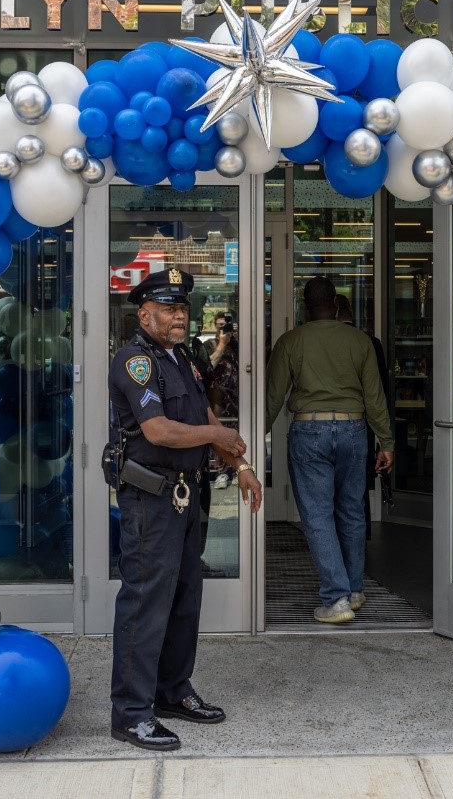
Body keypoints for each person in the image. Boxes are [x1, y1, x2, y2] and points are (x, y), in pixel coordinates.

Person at [106, 268, 263, 751]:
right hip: (150, 499)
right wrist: (218, 438)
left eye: (183, 308)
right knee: (145, 603)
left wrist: (241, 465)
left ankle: (172, 692)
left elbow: (203, 414)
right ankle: (131, 713)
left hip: (186, 494)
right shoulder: (135, 360)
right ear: (144, 312)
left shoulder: (184, 358)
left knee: (183, 600)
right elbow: (158, 431)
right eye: (169, 308)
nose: (179, 316)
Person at [265, 276, 394, 624]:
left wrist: (245, 440)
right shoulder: (360, 341)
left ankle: (336, 600)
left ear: (305, 307)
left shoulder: (290, 341)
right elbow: (375, 397)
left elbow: (273, 397)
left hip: (309, 429)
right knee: (352, 511)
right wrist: (387, 442)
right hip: (354, 428)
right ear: (337, 304)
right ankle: (354, 590)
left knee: (318, 515)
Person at [334, 294, 393, 537]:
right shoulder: (370, 342)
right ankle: (359, 539)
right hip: (363, 423)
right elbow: (381, 391)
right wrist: (384, 435)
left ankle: (334, 539)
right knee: (356, 488)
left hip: (329, 420)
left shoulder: (324, 343)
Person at [206, 312, 239, 489]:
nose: (222, 328)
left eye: (226, 325)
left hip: (237, 396)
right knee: (218, 432)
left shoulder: (239, 345)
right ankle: (222, 472)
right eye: (219, 325)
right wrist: (221, 344)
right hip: (216, 396)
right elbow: (207, 368)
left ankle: (236, 470)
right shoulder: (208, 345)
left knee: (237, 432)